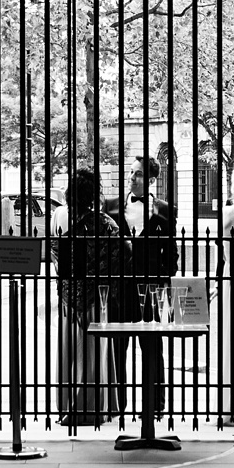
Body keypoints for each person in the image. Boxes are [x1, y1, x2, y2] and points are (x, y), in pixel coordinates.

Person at [53, 167, 128, 426]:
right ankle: (98, 405)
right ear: (94, 193)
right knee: (95, 352)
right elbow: (120, 260)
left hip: (68, 298)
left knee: (70, 352)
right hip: (99, 298)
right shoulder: (107, 224)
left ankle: (68, 405)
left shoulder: (60, 217)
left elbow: (58, 261)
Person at [114, 155, 174, 418]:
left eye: (137, 174)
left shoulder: (165, 210)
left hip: (150, 291)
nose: (131, 177)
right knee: (118, 347)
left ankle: (155, 405)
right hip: (119, 290)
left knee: (152, 348)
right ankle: (118, 404)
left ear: (151, 180)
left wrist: (159, 278)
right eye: (130, 172)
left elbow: (171, 255)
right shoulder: (113, 207)